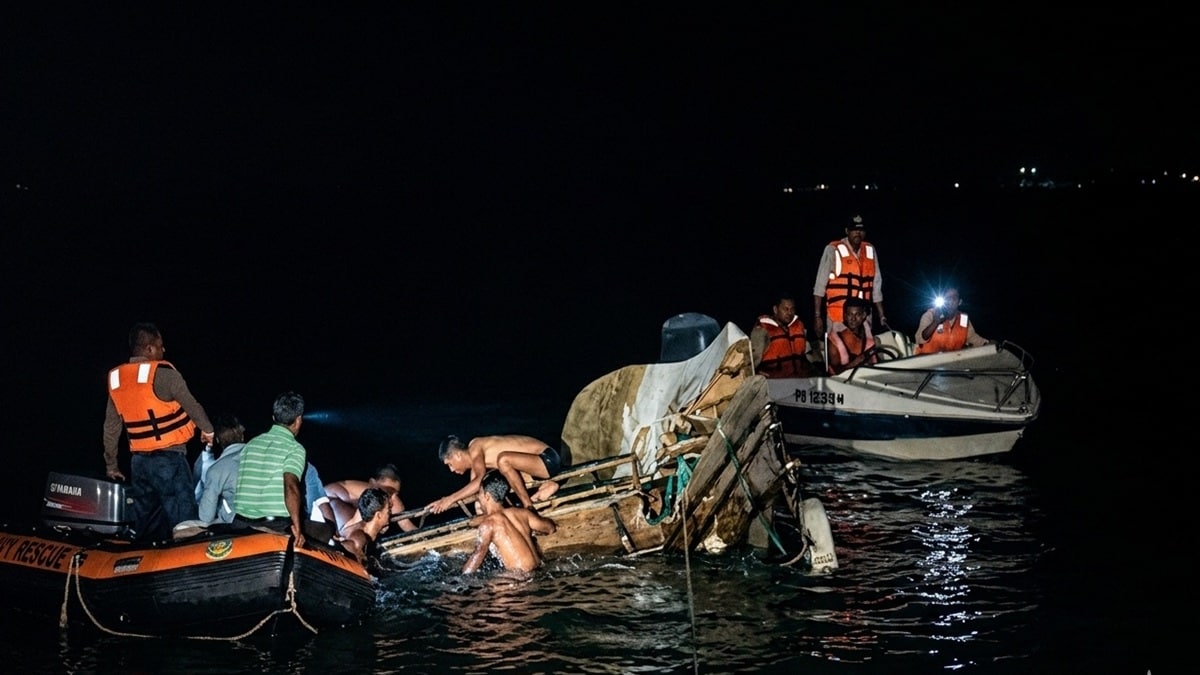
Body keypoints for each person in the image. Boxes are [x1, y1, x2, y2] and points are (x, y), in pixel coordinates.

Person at [103, 322, 215, 541]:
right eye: (160, 346)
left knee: (146, 526)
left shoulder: (117, 380)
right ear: (150, 349)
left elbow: (110, 428)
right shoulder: (164, 374)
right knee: (186, 527)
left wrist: (111, 465)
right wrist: (208, 430)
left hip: (139, 464)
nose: (164, 350)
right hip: (169, 460)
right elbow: (193, 406)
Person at [233, 391, 308, 548]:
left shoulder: (250, 445)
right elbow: (291, 486)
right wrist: (298, 528)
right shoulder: (295, 449)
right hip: (274, 527)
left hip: (240, 524)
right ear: (299, 420)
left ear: (274, 418)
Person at [428, 434, 565, 514]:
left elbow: (477, 482)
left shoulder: (475, 446)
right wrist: (442, 503)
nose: (451, 470)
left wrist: (450, 499)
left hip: (547, 459)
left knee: (503, 460)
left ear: (458, 455)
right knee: (488, 485)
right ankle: (548, 485)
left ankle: (529, 508)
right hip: (535, 469)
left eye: (450, 464)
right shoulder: (476, 460)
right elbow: (475, 488)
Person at [463, 471, 557, 575]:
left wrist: (460, 580)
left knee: (487, 588)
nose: (479, 499)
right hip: (539, 571)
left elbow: (477, 557)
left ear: (487, 496)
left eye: (479, 495)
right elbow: (550, 528)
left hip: (520, 579)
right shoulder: (523, 513)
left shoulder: (488, 524)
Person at [812, 214, 889, 340]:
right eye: (854, 229)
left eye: (861, 230)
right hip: (838, 317)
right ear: (847, 231)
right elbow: (819, 287)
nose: (857, 233)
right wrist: (817, 317)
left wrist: (882, 316)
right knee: (839, 354)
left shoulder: (870, 250)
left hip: (863, 317)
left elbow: (876, 287)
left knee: (865, 352)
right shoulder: (832, 249)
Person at [325, 463, 418, 539]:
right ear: (372, 483)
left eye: (395, 493)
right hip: (329, 500)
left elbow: (406, 524)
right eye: (387, 491)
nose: (392, 497)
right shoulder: (367, 492)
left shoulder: (393, 500)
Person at [196, 414, 247, 524]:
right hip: (272, 517)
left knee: (182, 528)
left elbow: (205, 516)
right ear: (242, 436)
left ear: (218, 440)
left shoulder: (217, 469)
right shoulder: (260, 455)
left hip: (238, 524)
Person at [750, 292, 814, 378]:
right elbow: (752, 361)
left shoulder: (799, 326)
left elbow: (804, 357)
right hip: (774, 382)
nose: (789, 313)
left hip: (799, 381)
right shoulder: (762, 330)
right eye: (785, 309)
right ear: (775, 310)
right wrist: (756, 372)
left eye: (792, 309)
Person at [914, 287, 990, 354]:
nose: (950, 301)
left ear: (959, 302)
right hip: (925, 364)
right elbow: (920, 339)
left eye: (954, 298)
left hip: (950, 363)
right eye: (947, 298)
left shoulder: (963, 318)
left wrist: (987, 344)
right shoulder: (931, 314)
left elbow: (972, 338)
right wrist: (935, 322)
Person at [339, 486, 392, 565]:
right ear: (379, 515)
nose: (390, 513)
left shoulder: (370, 531)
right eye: (388, 511)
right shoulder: (359, 538)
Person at [826, 297, 878, 375]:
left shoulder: (871, 338)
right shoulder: (835, 342)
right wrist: (854, 363)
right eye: (850, 314)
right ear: (845, 316)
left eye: (857, 314)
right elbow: (834, 373)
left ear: (863, 315)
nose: (853, 319)